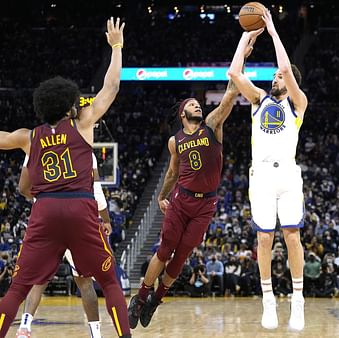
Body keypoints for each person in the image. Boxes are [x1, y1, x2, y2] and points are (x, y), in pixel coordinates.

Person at [0, 18, 130, 338]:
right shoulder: (83, 124)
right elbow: (111, 86)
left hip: (44, 209)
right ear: (69, 104)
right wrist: (116, 46)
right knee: (109, 281)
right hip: (79, 206)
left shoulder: (29, 136)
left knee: (17, 287)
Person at [127, 36, 259, 330]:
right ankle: (139, 298)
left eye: (198, 104)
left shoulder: (213, 125)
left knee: (182, 255)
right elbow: (172, 173)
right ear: (182, 113)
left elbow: (229, 93)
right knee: (165, 250)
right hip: (181, 199)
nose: (197, 106)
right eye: (192, 104)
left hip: (206, 203)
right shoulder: (175, 141)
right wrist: (162, 195)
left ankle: (155, 300)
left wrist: (243, 59)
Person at [228, 8, 308, 331]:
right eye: (274, 76)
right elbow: (234, 73)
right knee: (264, 240)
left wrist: (273, 31)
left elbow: (287, 67)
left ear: (289, 84)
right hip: (260, 176)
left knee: (292, 236)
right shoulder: (259, 99)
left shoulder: (298, 104)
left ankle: (298, 301)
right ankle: (268, 299)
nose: (276, 77)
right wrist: (248, 36)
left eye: (279, 77)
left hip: (287, 176)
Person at [16, 153, 111, 338]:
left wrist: (40, 198)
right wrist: (106, 219)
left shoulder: (35, 145)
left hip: (47, 216)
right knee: (84, 281)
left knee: (39, 279)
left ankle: (24, 327)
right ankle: (96, 334)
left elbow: (22, 188)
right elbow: (96, 192)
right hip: (76, 217)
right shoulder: (83, 149)